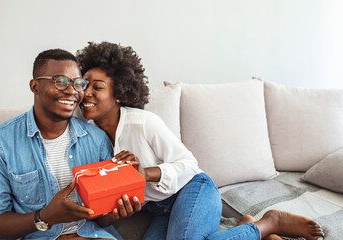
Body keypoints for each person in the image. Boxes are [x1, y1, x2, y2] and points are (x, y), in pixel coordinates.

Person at [76, 41, 325, 240]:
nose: (86, 93)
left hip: (193, 189)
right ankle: (244, 229)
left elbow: (189, 164)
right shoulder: (89, 137)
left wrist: (144, 173)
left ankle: (268, 223)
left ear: (119, 93)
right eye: (83, 85)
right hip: (159, 209)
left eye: (97, 87)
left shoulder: (142, 123)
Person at [0, 49, 140, 240]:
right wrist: (44, 217)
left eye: (77, 84)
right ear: (35, 86)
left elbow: (101, 219)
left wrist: (116, 211)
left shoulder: (97, 139)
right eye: (60, 82)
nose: (71, 91)